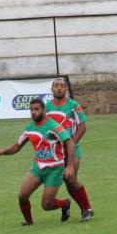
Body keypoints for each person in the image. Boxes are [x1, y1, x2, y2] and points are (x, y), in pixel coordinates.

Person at [0, 99, 75, 226]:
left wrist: (70, 166)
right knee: (22, 196)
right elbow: (17, 146)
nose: (33, 112)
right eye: (31, 110)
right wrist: (3, 151)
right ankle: (29, 222)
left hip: (55, 169)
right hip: (38, 167)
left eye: (36, 109)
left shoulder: (54, 126)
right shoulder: (29, 129)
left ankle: (65, 204)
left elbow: (70, 142)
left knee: (46, 205)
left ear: (43, 110)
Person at [45, 78, 93, 222]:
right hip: (54, 152)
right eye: (56, 86)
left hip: (72, 150)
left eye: (62, 86)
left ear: (65, 89)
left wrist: (71, 143)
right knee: (66, 181)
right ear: (51, 89)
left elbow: (83, 126)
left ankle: (87, 209)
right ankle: (74, 206)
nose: (59, 88)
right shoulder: (46, 107)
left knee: (70, 179)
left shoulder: (73, 106)